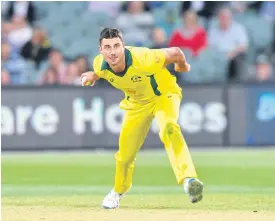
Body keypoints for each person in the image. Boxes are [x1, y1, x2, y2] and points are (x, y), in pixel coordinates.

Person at [80, 28, 204, 209]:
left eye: (116, 46)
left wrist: (182, 66)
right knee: (125, 155)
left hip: (164, 96)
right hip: (137, 105)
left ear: (124, 46)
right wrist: (93, 75)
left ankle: (189, 179)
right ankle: (118, 191)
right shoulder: (100, 64)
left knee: (169, 128)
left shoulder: (143, 58)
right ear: (101, 50)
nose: (113, 52)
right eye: (107, 47)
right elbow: (101, 71)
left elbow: (176, 52)